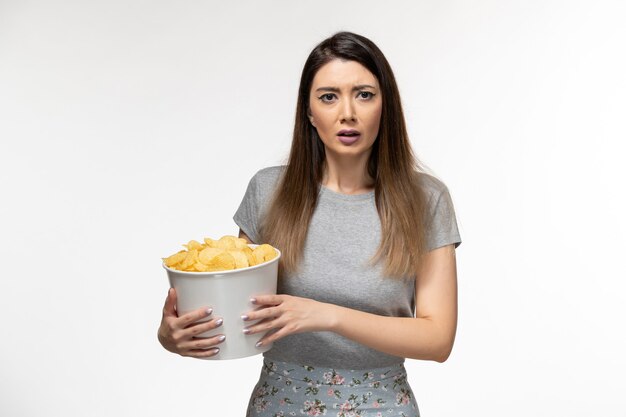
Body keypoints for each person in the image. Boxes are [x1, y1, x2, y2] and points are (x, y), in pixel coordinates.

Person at [158, 31, 461, 417]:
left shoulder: (426, 198)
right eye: (329, 96)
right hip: (280, 404)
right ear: (309, 111)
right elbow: (240, 320)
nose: (347, 112)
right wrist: (173, 336)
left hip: (383, 406)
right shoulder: (268, 191)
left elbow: (437, 340)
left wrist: (326, 315)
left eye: (364, 94)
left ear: (386, 105)